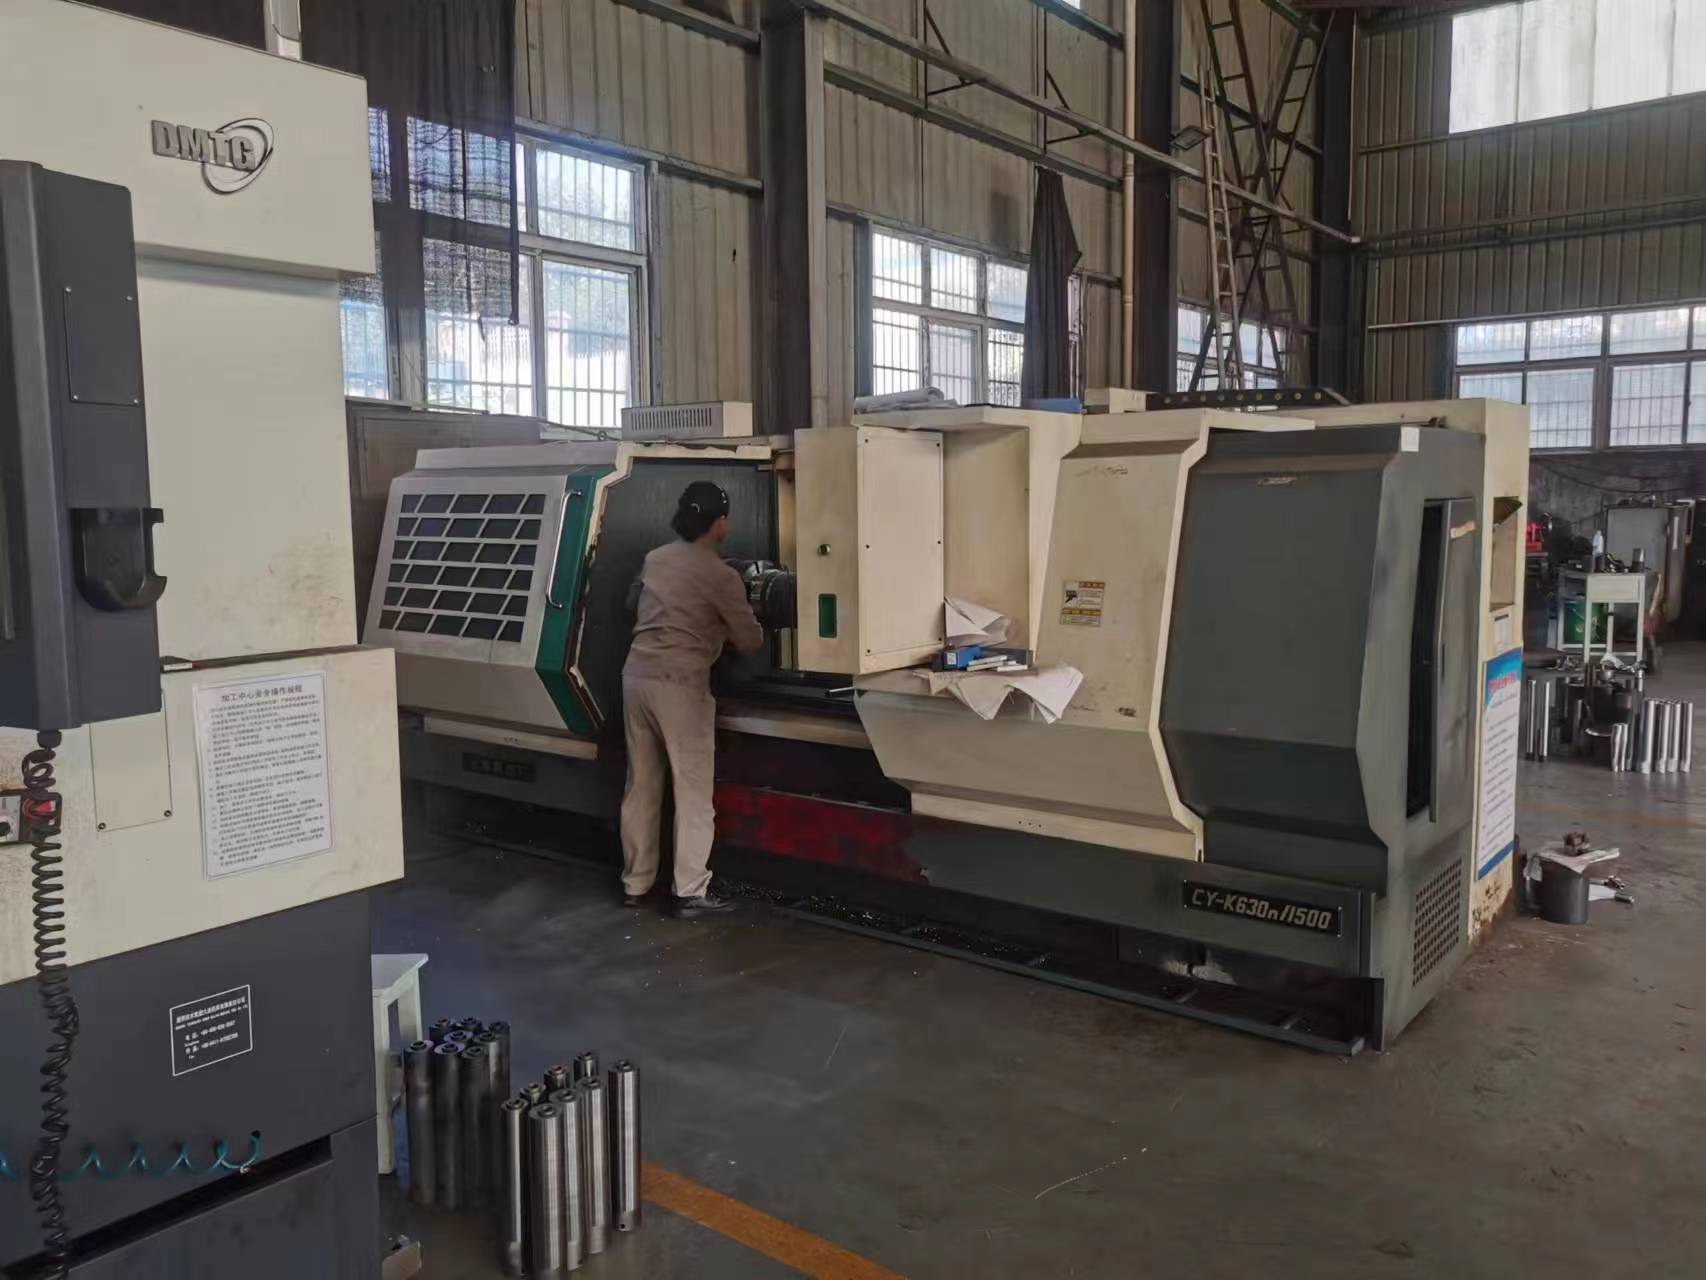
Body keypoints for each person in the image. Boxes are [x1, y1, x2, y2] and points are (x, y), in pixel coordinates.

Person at [620, 480, 765, 918]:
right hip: (679, 686)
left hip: (636, 676)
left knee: (641, 786)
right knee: (693, 790)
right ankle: (689, 891)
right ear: (720, 524)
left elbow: (632, 603)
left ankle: (636, 884)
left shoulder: (655, 559)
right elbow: (750, 641)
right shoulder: (721, 577)